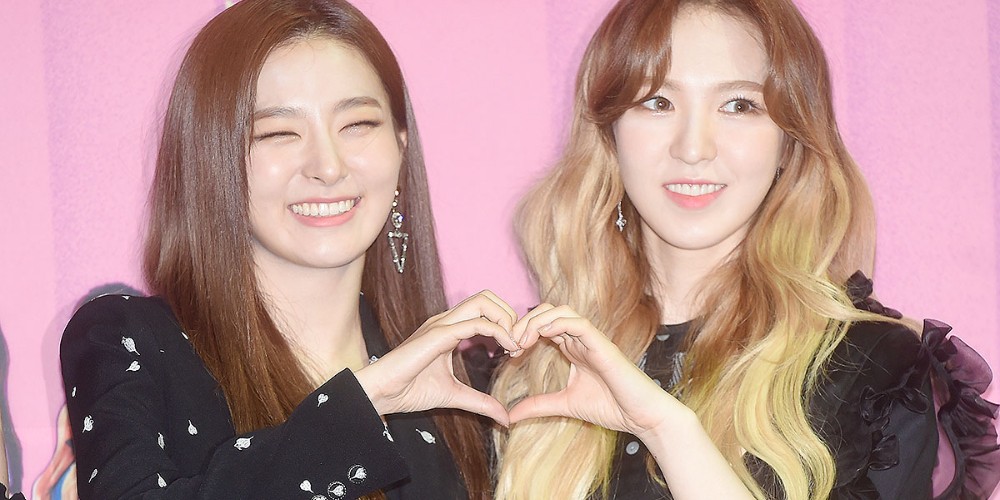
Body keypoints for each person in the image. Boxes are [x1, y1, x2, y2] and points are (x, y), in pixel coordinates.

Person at [491, 0, 1000, 498]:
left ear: (789, 144)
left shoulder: (873, 372)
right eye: (658, 102)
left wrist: (668, 430)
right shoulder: (531, 368)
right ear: (610, 135)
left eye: (739, 106)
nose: (693, 148)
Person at [59, 1, 520, 498]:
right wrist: (361, 405)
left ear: (400, 145)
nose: (328, 166)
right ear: (212, 158)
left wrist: (590, 436)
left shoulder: (469, 387)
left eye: (358, 125)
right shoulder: (127, 343)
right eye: (279, 133)